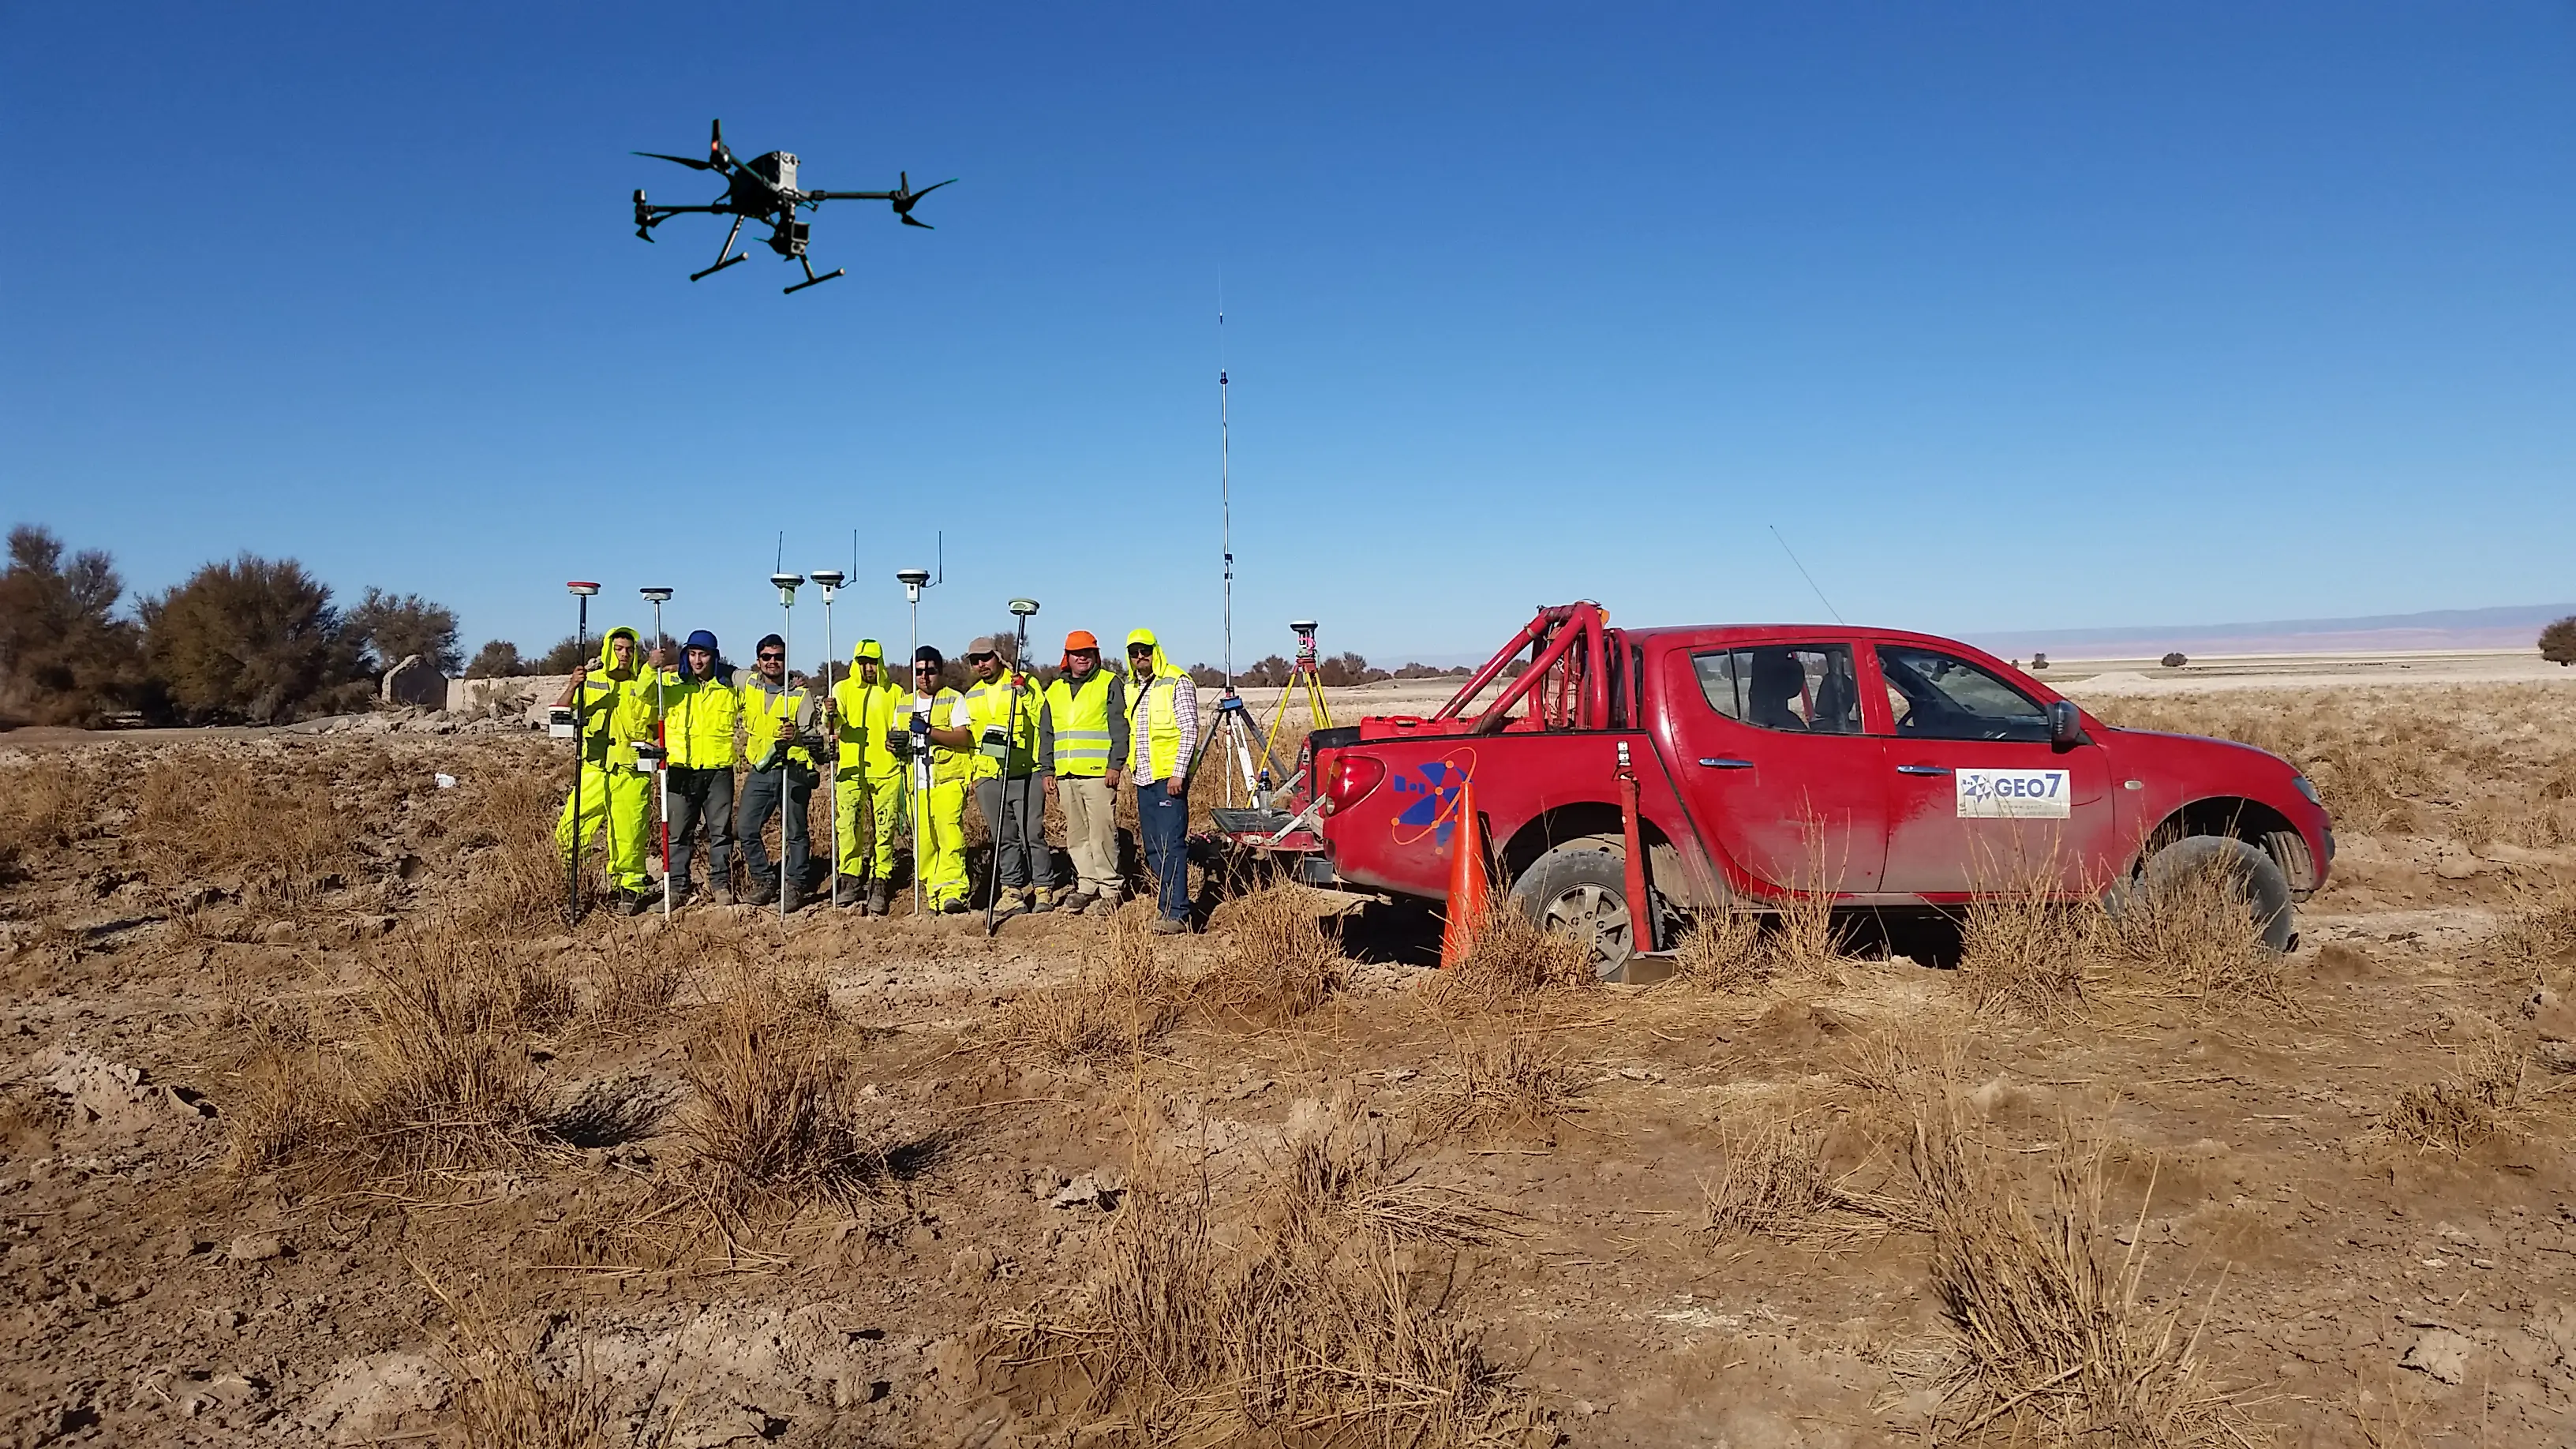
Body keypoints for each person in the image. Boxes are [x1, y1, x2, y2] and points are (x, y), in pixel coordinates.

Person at [552, 626, 659, 915]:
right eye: (619, 649)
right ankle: (572, 882)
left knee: (630, 834)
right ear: (608, 651)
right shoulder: (591, 681)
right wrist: (573, 685)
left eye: (629, 650)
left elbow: (656, 726)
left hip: (631, 771)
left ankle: (630, 889)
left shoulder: (644, 685)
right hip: (595, 768)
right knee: (570, 829)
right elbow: (560, 712)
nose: (624, 655)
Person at [957, 635, 1055, 919]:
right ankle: (1011, 889)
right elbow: (969, 740)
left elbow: (1042, 719)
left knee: (1032, 834)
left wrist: (1024, 692)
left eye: (986, 658)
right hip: (989, 776)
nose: (981, 664)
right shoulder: (971, 695)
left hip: (1025, 772)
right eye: (975, 660)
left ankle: (1043, 887)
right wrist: (975, 776)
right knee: (1003, 837)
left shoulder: (1022, 682)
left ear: (998, 657)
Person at [1039, 630, 1129, 918]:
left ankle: (1111, 889)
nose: (1082, 658)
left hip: (1099, 774)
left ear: (1095, 655)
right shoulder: (1054, 690)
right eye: (1076, 653)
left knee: (1103, 833)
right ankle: (1087, 884)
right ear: (1067, 657)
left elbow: (1119, 726)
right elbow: (1047, 733)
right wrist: (1047, 769)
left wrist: (1115, 764)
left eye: (1087, 652)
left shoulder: (1108, 683)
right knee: (1076, 836)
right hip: (1065, 776)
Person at [735, 632, 819, 911]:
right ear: (758, 660)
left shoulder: (800, 694)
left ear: (786, 660)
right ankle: (765, 881)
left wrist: (796, 736)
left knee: (795, 831)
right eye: (766, 657)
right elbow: (718, 669)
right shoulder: (747, 682)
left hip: (792, 769)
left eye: (779, 657)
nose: (772, 662)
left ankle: (796, 885)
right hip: (761, 769)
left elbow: (813, 737)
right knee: (746, 828)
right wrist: (674, 665)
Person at [1123, 627, 1197, 934]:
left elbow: (1190, 728)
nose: (1140, 657)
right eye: (1134, 653)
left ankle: (1177, 913)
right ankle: (1167, 906)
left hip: (1169, 779)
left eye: (1145, 651)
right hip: (1144, 777)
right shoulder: (1130, 687)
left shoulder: (1177, 681)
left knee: (1171, 846)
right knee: (1154, 848)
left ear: (1156, 650)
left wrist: (1179, 773)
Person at [658, 630, 739, 907]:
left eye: (703, 655)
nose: (697, 660)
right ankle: (677, 888)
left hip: (718, 770)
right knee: (678, 834)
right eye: (692, 654)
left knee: (720, 833)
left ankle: (721, 884)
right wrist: (652, 669)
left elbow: (758, 693)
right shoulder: (670, 683)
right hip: (681, 770)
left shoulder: (729, 687)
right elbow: (644, 694)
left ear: (714, 657)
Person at [828, 638, 905, 913]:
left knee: (885, 828)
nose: (868, 668)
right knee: (848, 826)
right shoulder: (842, 689)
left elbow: (900, 726)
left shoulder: (894, 692)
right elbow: (834, 723)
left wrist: (898, 740)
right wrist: (831, 714)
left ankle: (880, 878)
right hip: (851, 770)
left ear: (880, 663)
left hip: (886, 771)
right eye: (862, 662)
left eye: (872, 662)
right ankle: (850, 878)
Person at [900, 646, 974, 913]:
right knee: (925, 844)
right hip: (916, 783)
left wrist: (930, 731)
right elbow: (899, 738)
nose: (925, 677)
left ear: (940, 672)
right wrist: (894, 744)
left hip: (947, 780)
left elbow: (963, 736)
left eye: (930, 671)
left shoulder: (953, 699)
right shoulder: (904, 704)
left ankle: (953, 894)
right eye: (919, 671)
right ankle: (934, 895)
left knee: (950, 839)